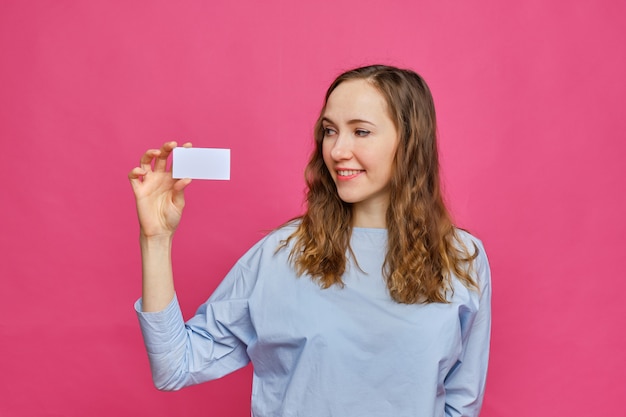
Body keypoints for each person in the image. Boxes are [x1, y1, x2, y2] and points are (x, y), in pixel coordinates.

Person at [128, 64, 491, 417]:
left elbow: (461, 402)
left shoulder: (461, 258)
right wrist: (156, 239)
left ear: (410, 142)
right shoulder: (281, 254)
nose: (336, 150)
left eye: (360, 132)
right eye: (330, 131)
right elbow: (175, 365)